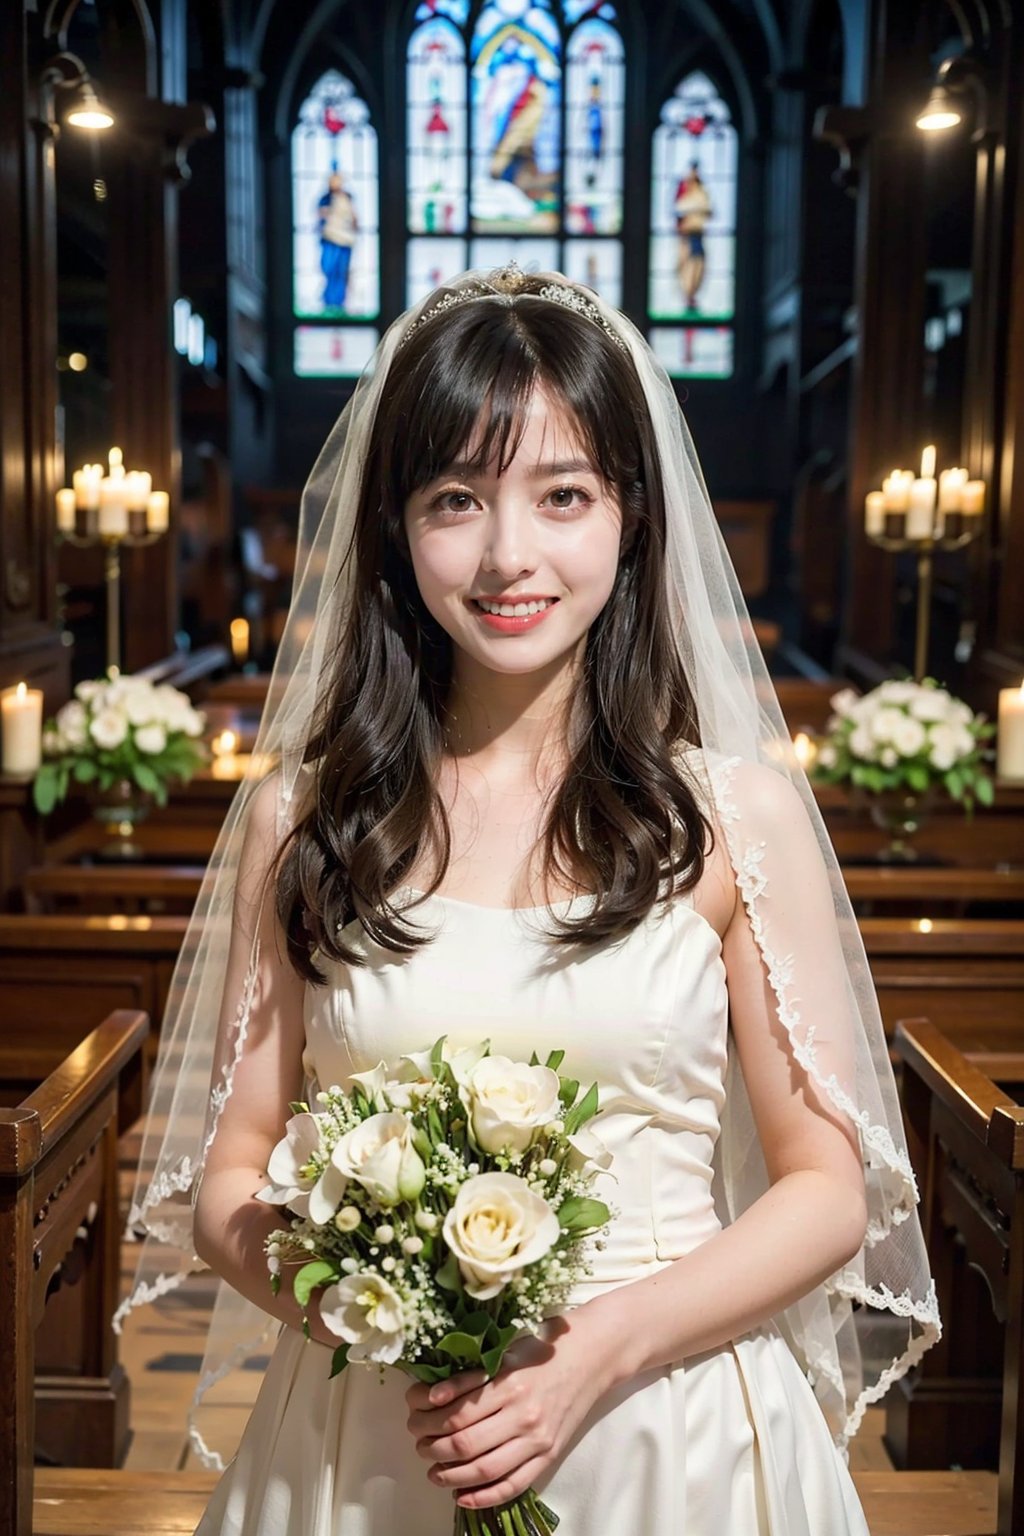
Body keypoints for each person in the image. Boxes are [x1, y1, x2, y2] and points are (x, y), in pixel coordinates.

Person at [117, 265, 939, 1534]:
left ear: (630, 517)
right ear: (395, 525)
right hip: (377, 1432)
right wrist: (379, 1306)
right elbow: (229, 1173)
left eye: (563, 496)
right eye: (456, 499)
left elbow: (826, 1187)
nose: (510, 556)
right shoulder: (304, 817)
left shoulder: (732, 817)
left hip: (671, 1422)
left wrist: (597, 1348)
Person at [675, 162, 712, 311]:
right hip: (687, 236)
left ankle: (692, 294)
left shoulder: (702, 193)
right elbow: (679, 208)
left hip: (698, 234)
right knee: (687, 266)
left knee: (698, 266)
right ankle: (688, 295)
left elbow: (707, 208)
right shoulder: (685, 193)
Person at [318, 172, 358, 310]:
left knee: (341, 271)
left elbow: (354, 217)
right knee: (329, 268)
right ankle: (329, 301)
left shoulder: (347, 198)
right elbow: (321, 215)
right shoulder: (326, 199)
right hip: (330, 237)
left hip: (345, 240)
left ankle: (339, 303)